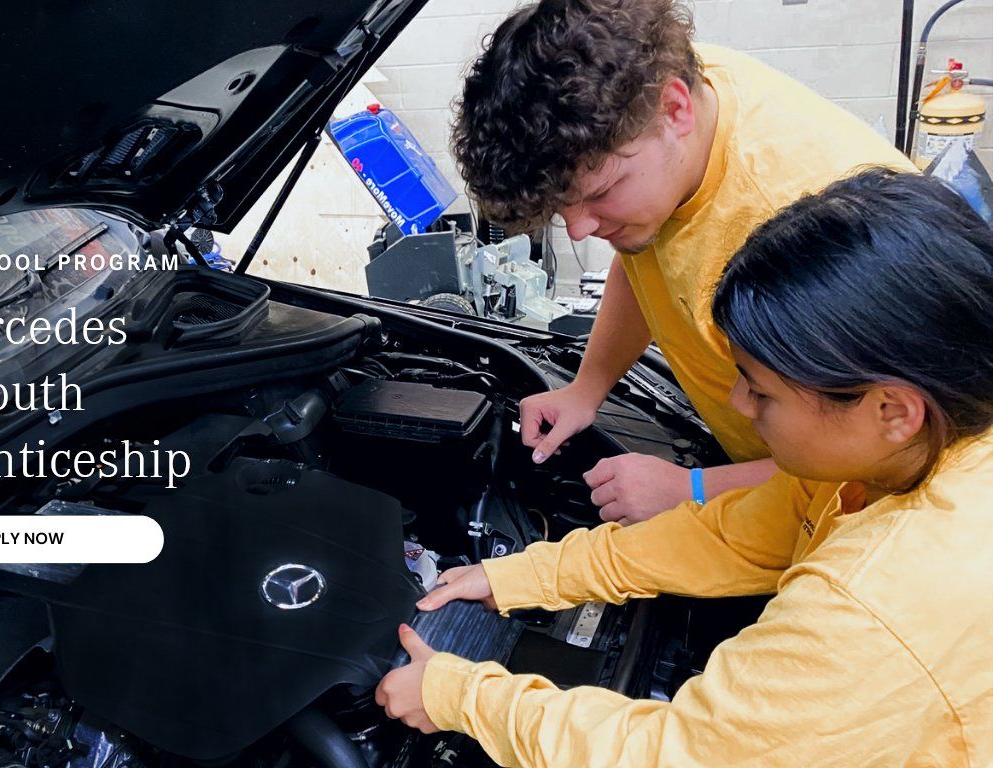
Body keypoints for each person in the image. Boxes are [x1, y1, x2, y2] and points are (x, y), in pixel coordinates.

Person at [374, 168, 993, 766]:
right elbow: (735, 535)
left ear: (893, 410)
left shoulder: (882, 603)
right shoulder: (900, 454)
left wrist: (463, 697)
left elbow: (676, 757)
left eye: (761, 390)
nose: (737, 403)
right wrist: (523, 576)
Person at [450, 0, 915, 523]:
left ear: (675, 110)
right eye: (562, 208)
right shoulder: (658, 99)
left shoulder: (809, 229)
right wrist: (587, 388)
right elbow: (645, 259)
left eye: (600, 193)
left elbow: (887, 459)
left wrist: (693, 488)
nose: (580, 229)